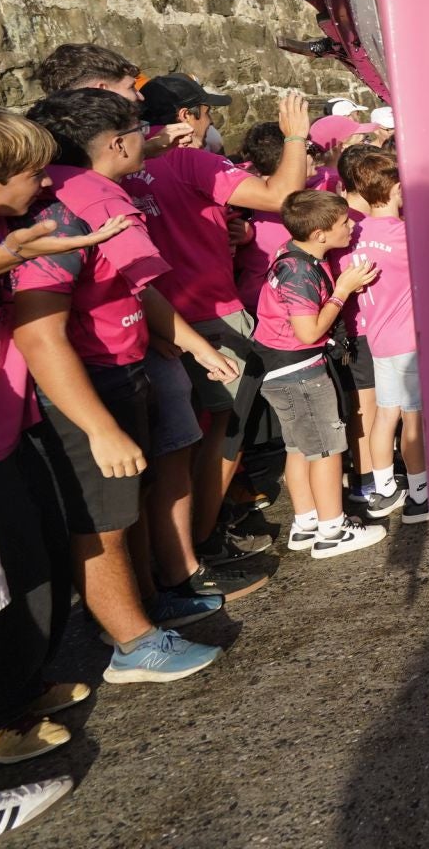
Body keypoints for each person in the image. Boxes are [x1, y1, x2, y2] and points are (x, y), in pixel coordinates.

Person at [12, 90, 239, 683]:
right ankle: (132, 643)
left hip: (119, 365)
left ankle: (148, 607)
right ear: (116, 143)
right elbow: (39, 332)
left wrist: (193, 344)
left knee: (125, 506)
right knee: (102, 520)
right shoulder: (78, 202)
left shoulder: (72, 192)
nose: (150, 137)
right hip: (92, 382)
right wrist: (97, 425)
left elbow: (136, 286)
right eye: (141, 128)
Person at [0, 110, 129, 765]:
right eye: (32, 173)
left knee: (34, 568)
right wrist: (8, 255)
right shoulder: (0, 238)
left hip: (10, 429)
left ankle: (21, 690)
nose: (45, 182)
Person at [123, 77, 314, 568]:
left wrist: (231, 228)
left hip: (153, 314)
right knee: (224, 432)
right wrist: (295, 137)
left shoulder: (119, 168)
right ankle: (205, 538)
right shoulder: (189, 160)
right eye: (207, 111)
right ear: (187, 115)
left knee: (179, 441)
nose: (212, 121)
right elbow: (284, 194)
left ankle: (184, 542)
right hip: (212, 314)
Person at [252, 190, 386, 558]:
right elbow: (309, 332)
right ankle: (332, 530)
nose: (352, 228)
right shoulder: (300, 271)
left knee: (299, 449)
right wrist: (343, 291)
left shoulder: (292, 251)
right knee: (327, 449)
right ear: (320, 234)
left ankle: (306, 522)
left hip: (278, 369)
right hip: (299, 370)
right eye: (344, 224)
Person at [340, 151, 428, 523]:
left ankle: (383, 488)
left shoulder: (351, 234)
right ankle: (420, 493)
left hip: (375, 339)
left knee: (385, 414)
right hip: (408, 342)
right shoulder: (407, 235)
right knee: (413, 418)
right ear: (396, 189)